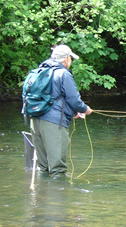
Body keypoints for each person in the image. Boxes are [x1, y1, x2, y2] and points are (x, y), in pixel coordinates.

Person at [30, 44, 92, 178]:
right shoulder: (63, 73)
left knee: (43, 167)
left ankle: (41, 196)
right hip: (53, 124)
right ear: (66, 59)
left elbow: (53, 97)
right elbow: (74, 100)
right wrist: (85, 109)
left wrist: (75, 113)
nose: (71, 61)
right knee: (57, 169)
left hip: (35, 120)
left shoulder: (39, 71)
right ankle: (57, 198)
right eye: (70, 58)